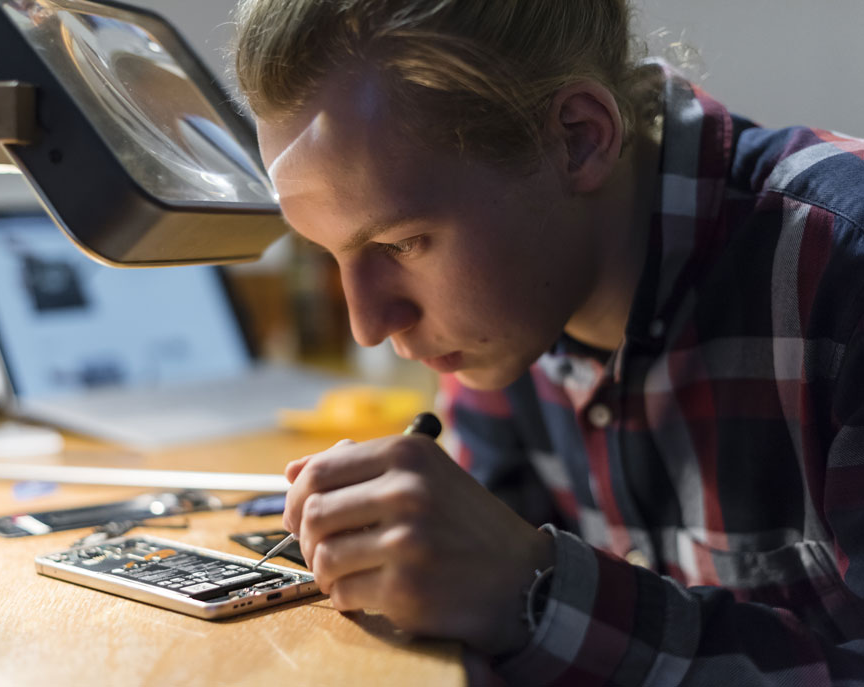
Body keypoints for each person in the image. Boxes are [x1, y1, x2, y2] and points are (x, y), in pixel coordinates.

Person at [233, 1, 864, 683]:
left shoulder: (843, 274)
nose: (368, 323)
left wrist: (532, 592)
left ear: (578, 139)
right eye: (329, 253)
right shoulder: (511, 317)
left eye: (401, 242)